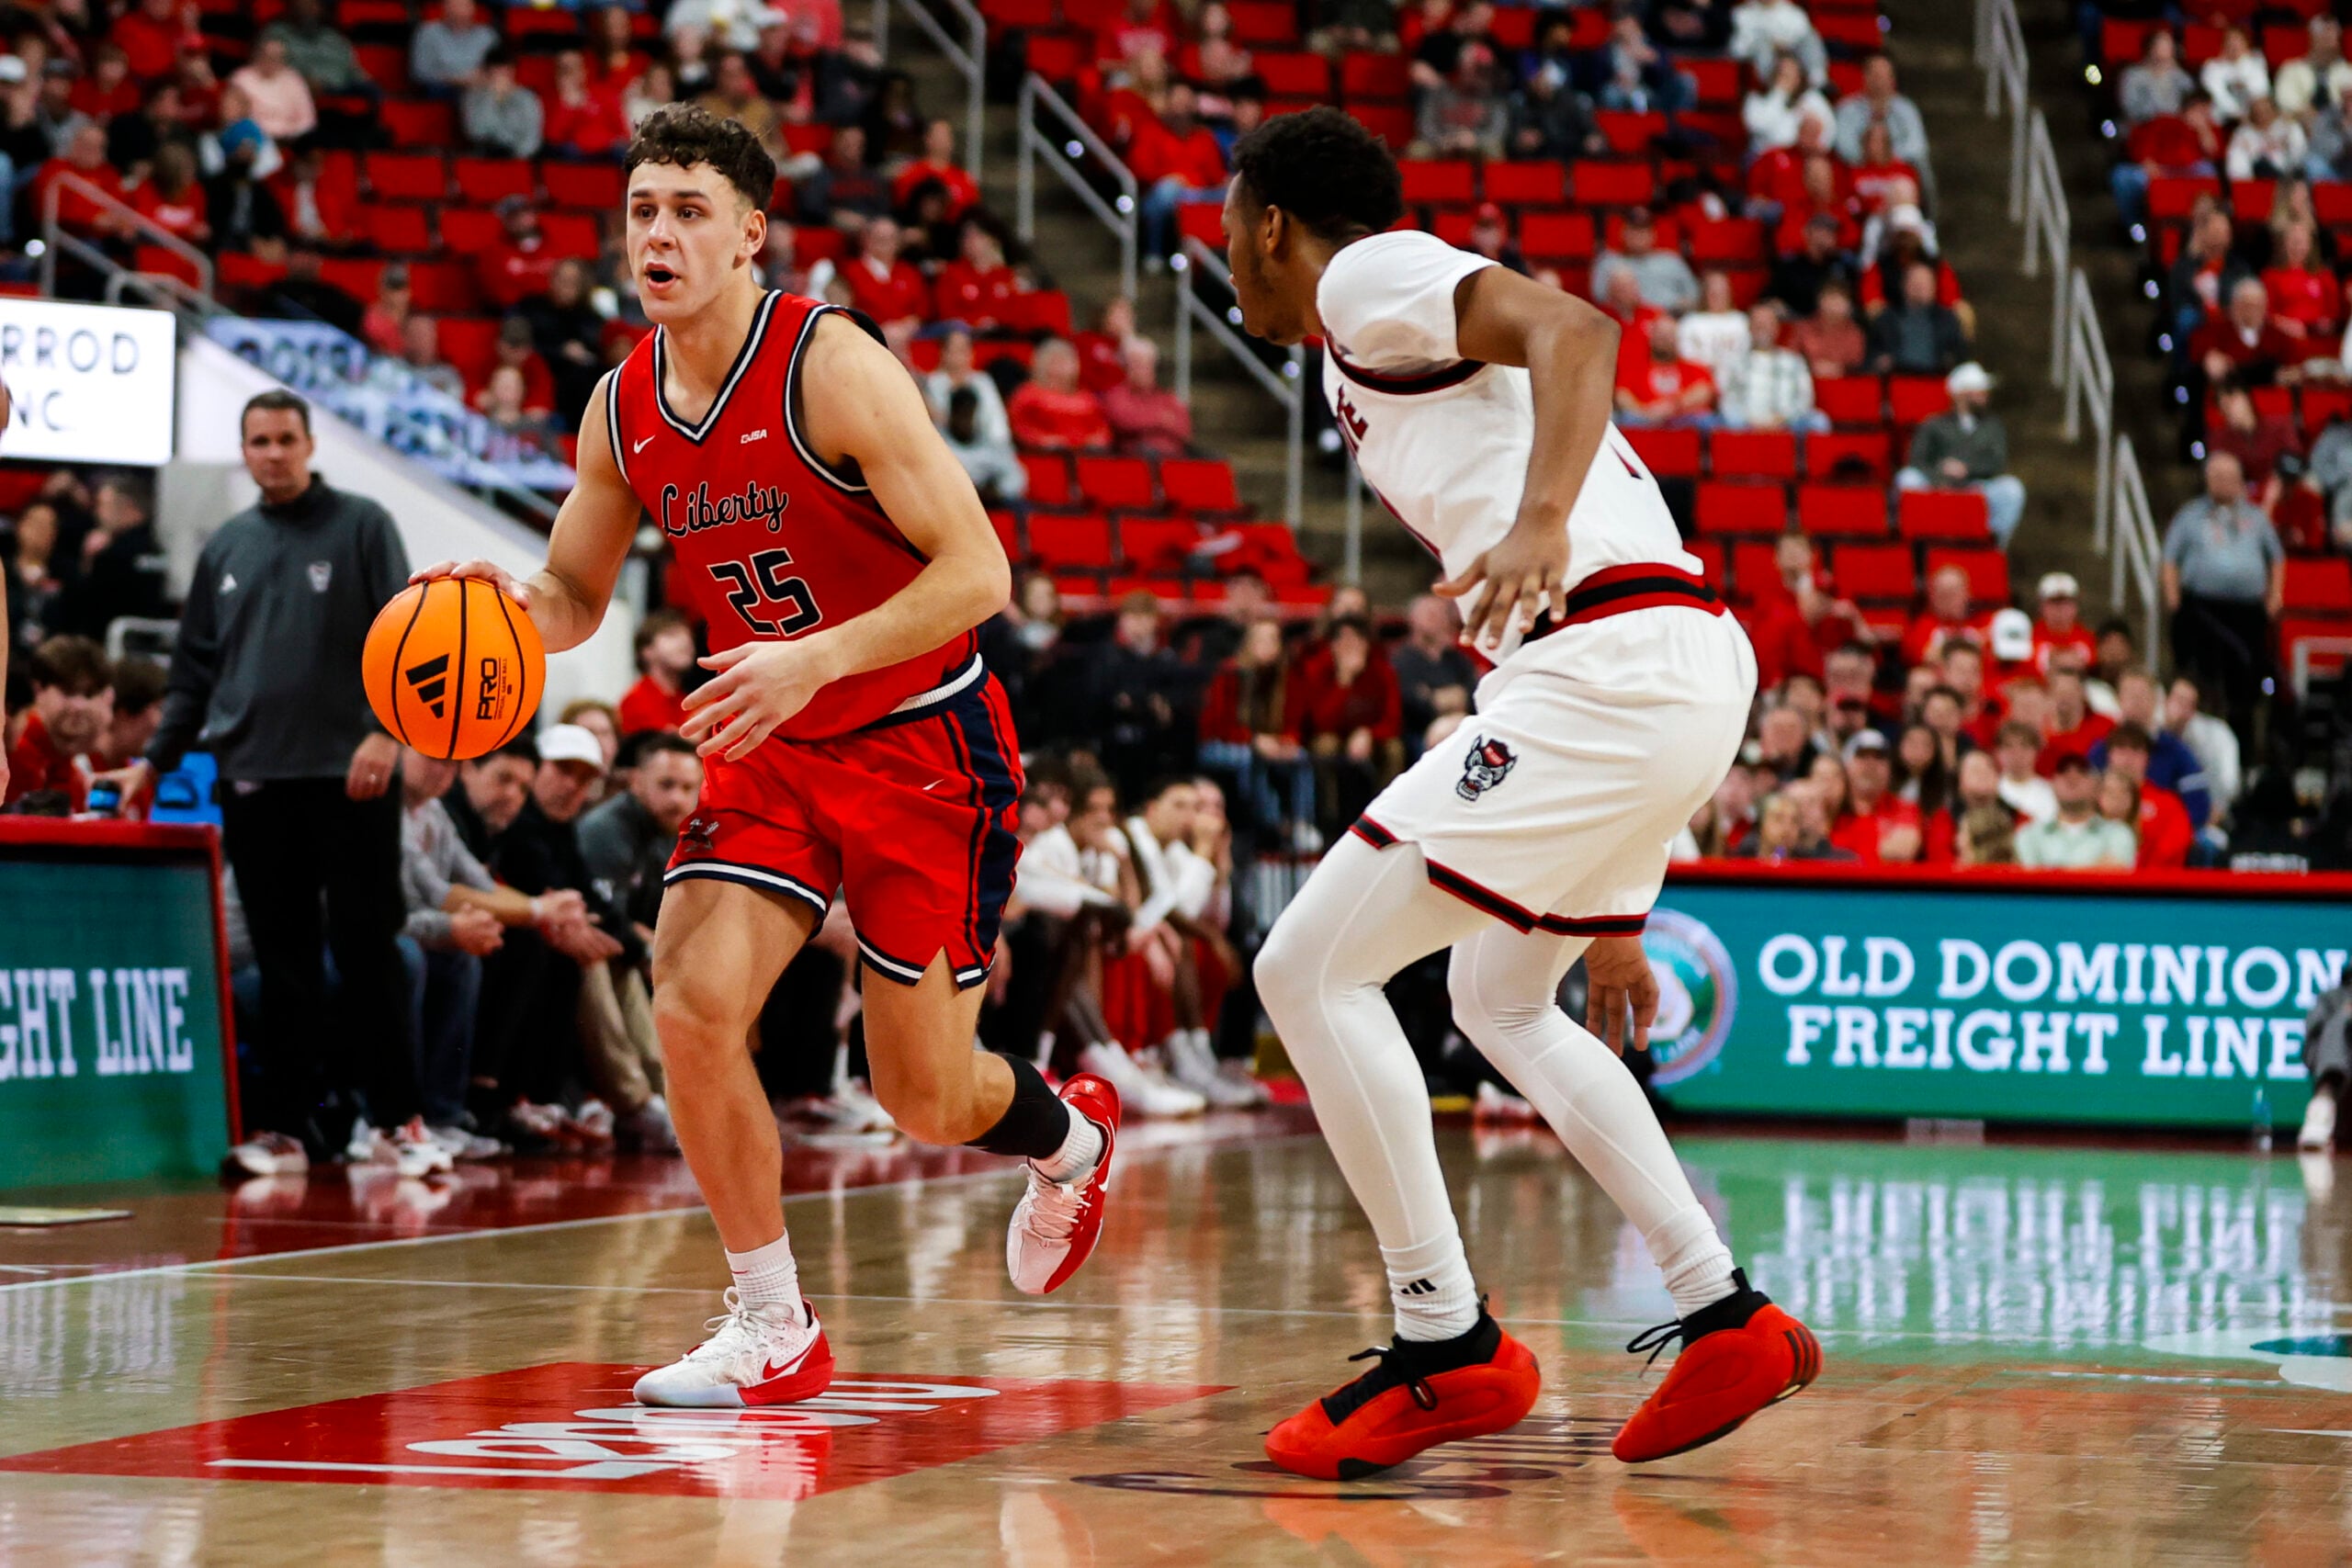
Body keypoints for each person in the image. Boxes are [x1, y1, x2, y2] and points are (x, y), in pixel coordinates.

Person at [414, 106, 1120, 1410]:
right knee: (687, 999)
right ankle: (773, 1319)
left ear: (751, 233)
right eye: (642, 209)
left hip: (922, 743)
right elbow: (574, 589)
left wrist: (817, 655)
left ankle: (1069, 1140)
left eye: (689, 209)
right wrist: (505, 601)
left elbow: (980, 571)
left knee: (925, 1092)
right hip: (766, 740)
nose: (660, 233)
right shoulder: (621, 405)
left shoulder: (830, 365)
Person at [1219, 107, 1817, 1480]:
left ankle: (1447, 1341)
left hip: (1600, 665)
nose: (1229, 264)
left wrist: (1540, 517)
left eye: (1228, 235)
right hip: (1665, 668)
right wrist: (1618, 901)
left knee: (1307, 969)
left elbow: (1581, 333)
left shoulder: (1365, 276)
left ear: (1267, 224)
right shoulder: (1349, 349)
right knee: (1498, 999)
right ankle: (1721, 1306)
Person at [96, 390, 441, 1179]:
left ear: (311, 443)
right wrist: (154, 760)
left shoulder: (363, 525)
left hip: (351, 773)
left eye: (287, 439)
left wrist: (389, 733)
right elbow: (191, 673)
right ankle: (285, 1131)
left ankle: (398, 1122)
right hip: (254, 775)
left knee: (368, 946)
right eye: (260, 441)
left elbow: (411, 637)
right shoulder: (226, 546)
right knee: (283, 961)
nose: (274, 453)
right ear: (245, 450)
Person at [2162, 449, 2283, 734]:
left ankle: (2244, 740)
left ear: (2240, 480)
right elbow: (2170, 558)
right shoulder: (2190, 516)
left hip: (2246, 612)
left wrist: (2275, 595)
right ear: (2207, 479)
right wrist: (2173, 597)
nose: (2223, 482)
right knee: (2200, 675)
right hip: (2202, 608)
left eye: (2229, 477)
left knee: (2245, 677)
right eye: (2216, 476)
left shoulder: (2256, 518)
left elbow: (2276, 557)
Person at [1894, 363, 2025, 547]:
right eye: (1979, 391)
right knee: (1907, 479)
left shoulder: (1993, 426)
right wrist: (1941, 475)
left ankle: (1991, 545)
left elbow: (1997, 462)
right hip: (1937, 486)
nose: (1984, 396)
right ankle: (1913, 542)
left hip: (1976, 486)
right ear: (1961, 394)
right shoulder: (1934, 424)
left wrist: (1968, 469)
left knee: (2012, 489)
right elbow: (1917, 459)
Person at [5, 633, 109, 811]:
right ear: (38, 689)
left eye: (89, 695)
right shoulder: (10, 755)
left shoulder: (75, 775)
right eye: (68, 692)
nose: (80, 706)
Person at [2014, 752, 2136, 869]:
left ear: (2098, 787)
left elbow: (2115, 875)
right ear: (2052, 784)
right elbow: (2031, 883)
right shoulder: (2028, 835)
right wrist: (2095, 869)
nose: (2072, 777)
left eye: (2082, 771)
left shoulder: (2118, 834)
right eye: (2063, 771)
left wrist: (2052, 873)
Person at [1008, 338, 1114, 450]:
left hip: (1086, 458)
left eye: (1065, 361)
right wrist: (1041, 440)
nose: (1060, 367)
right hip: (1045, 457)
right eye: (1055, 361)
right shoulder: (1027, 395)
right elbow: (1019, 427)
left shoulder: (1087, 399)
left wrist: (1096, 440)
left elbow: (1101, 429)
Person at [1101, 335, 1192, 457]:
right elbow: (1123, 421)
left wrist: (1145, 418)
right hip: (1134, 461)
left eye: (1148, 364)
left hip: (1173, 460)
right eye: (1138, 365)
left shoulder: (1168, 396)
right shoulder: (1116, 395)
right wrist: (1161, 419)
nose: (1144, 370)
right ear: (1125, 367)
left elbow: (1184, 430)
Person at [2297, 959, 2351, 1150]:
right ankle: (2321, 1109)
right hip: (2335, 1065)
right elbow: (2312, 1033)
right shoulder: (2331, 998)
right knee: (2339, 1023)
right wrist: (2345, 1017)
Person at [619, 606, 697, 735]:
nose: (686, 642)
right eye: (672, 635)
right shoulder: (636, 700)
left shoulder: (684, 700)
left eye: (689, 636)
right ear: (646, 651)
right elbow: (667, 748)